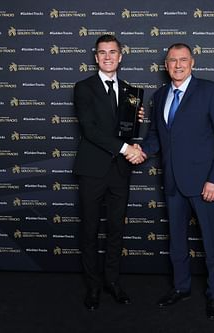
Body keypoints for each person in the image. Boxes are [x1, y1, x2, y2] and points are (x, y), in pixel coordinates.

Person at [140, 43, 214, 320]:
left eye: (183, 60)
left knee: (212, 242)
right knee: (177, 243)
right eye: (172, 61)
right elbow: (157, 137)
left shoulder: (211, 91)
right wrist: (141, 150)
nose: (177, 65)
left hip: (205, 183)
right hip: (172, 182)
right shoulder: (159, 97)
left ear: (192, 62)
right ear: (165, 65)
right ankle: (181, 287)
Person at [73, 34, 145, 311]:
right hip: (92, 169)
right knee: (90, 230)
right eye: (102, 53)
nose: (107, 57)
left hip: (119, 171)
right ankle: (93, 286)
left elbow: (128, 130)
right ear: (96, 57)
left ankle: (112, 282)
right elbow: (90, 130)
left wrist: (136, 127)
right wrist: (128, 148)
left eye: (112, 52)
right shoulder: (83, 88)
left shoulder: (130, 91)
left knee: (116, 229)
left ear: (120, 56)